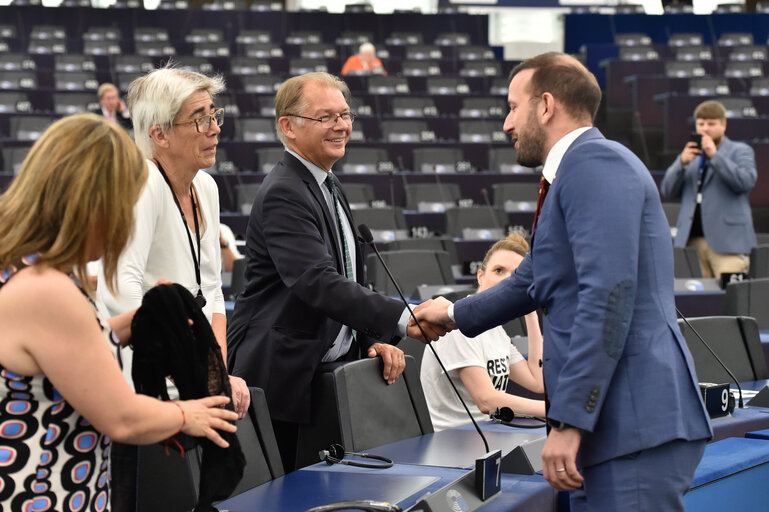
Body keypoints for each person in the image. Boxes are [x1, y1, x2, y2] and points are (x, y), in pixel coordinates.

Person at [413, 52, 712, 511]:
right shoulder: (573, 174)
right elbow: (528, 281)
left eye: (513, 107)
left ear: (546, 105)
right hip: (609, 425)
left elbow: (610, 297)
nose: (506, 124)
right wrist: (450, 314)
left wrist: (569, 421)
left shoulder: (595, 166)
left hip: (627, 423)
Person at [0, 113, 237, 510]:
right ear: (89, 205)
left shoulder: (32, 271)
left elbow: (70, 352)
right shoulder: (47, 292)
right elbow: (122, 417)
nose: (125, 223)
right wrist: (191, 414)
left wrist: (141, 318)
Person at [226, 72, 439, 472]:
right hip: (280, 379)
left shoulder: (328, 182)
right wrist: (400, 317)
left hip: (323, 376)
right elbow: (317, 282)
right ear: (288, 127)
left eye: (345, 115)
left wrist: (371, 339)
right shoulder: (285, 191)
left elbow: (347, 278)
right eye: (326, 117)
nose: (342, 125)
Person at [96, 67, 250, 417]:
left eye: (214, 114)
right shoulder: (142, 183)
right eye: (199, 119)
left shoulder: (206, 186)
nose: (215, 127)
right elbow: (120, 291)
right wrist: (187, 368)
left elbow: (211, 289)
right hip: (140, 377)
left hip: (188, 366)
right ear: (159, 134)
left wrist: (218, 370)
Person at [420, 234, 545, 431]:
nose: (506, 280)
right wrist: (553, 409)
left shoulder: (497, 331)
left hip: (491, 433)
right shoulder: (457, 325)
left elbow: (537, 383)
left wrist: (530, 315)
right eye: (499, 270)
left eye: (515, 276)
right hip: (453, 441)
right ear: (480, 276)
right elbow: (486, 400)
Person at [661, 100, 756, 279]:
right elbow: (667, 189)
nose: (705, 129)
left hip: (727, 244)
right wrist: (680, 163)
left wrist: (715, 156)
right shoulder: (691, 154)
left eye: (711, 124)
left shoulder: (740, 151)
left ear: (723, 125)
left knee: (732, 299)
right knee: (695, 300)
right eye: (701, 124)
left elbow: (745, 182)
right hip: (691, 243)